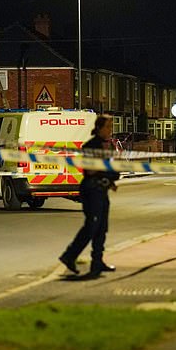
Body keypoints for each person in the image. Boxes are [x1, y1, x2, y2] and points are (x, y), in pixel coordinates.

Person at [59, 114, 120, 277]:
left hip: (102, 190)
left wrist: (111, 180)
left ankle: (97, 262)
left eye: (111, 127)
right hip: (92, 190)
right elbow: (91, 170)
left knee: (101, 228)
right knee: (91, 226)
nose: (110, 130)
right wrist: (106, 172)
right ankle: (69, 255)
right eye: (107, 126)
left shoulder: (107, 145)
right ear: (99, 128)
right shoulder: (91, 146)